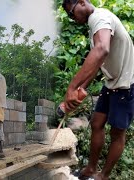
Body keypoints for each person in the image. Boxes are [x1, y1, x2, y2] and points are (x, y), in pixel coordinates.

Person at [62, 0, 134, 179]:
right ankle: (91, 169)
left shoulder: (100, 17)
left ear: (81, 2)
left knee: (117, 132)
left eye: (72, 13)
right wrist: (79, 90)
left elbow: (102, 49)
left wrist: (72, 87)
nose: (72, 18)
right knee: (96, 124)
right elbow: (97, 62)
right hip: (111, 83)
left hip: (126, 85)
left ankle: (104, 175)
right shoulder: (94, 23)